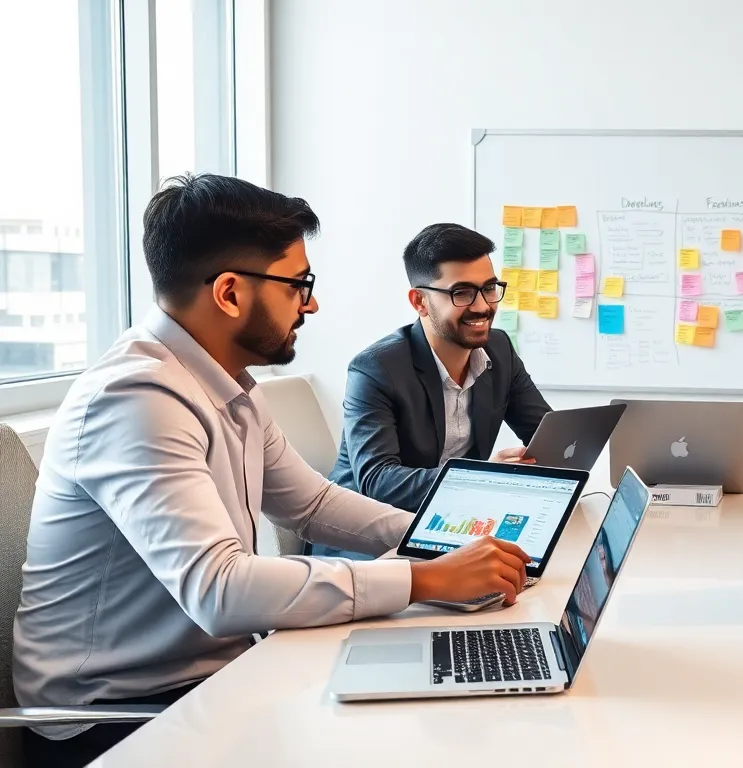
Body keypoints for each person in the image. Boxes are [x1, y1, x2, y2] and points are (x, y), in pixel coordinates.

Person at [13, 175, 531, 767]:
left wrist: (444, 542)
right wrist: (426, 579)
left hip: (217, 678)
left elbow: (313, 505)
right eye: (298, 285)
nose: (310, 304)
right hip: (118, 719)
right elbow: (219, 589)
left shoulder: (225, 383)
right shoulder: (136, 398)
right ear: (230, 293)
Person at [325, 223, 551, 524]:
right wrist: (483, 480)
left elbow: (545, 434)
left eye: (489, 288)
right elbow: (377, 480)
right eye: (462, 293)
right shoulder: (375, 368)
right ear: (420, 302)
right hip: (368, 529)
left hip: (453, 518)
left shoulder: (499, 350)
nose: (483, 306)